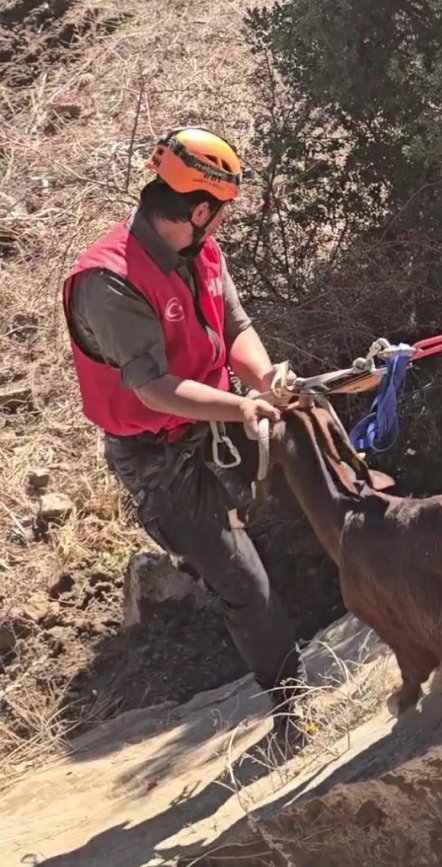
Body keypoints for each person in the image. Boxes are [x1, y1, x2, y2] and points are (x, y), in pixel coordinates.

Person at [61, 125, 301, 723]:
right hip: (157, 455)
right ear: (198, 209)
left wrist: (266, 380)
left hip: (214, 420)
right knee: (242, 581)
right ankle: (293, 703)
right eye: (218, 214)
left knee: (311, 440)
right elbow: (155, 388)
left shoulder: (200, 250)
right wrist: (243, 408)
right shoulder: (108, 281)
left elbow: (236, 326)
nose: (220, 226)